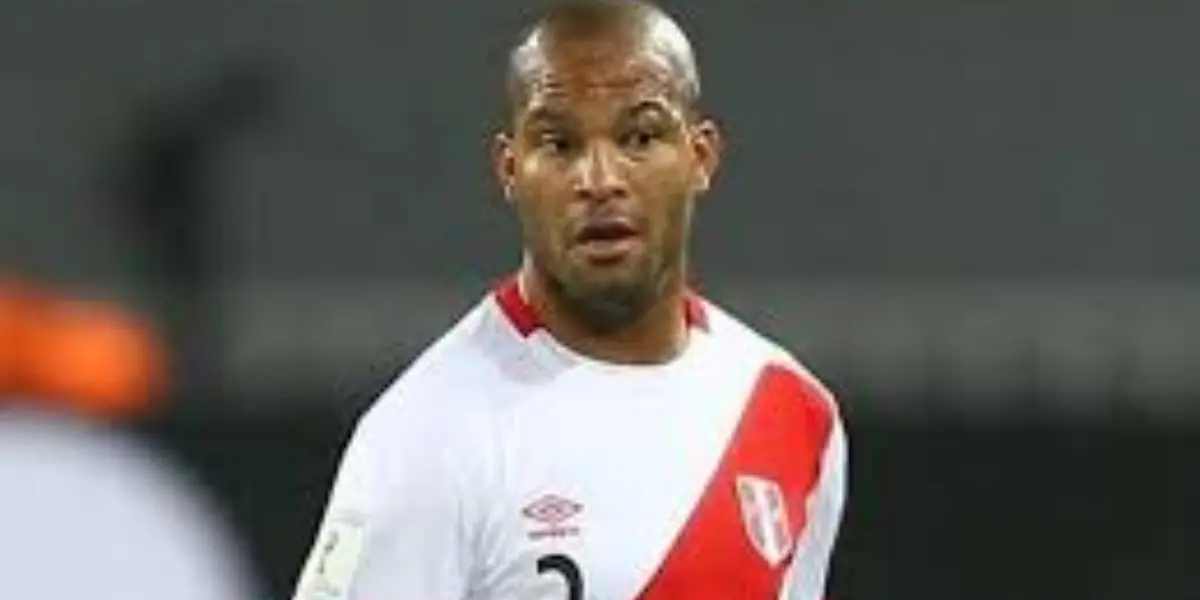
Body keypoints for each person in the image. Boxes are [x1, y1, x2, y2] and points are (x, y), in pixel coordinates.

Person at [292, 1, 847, 599]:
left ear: (700, 157)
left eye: (640, 136)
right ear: (510, 170)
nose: (600, 178)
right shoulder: (426, 437)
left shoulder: (792, 412)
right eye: (559, 144)